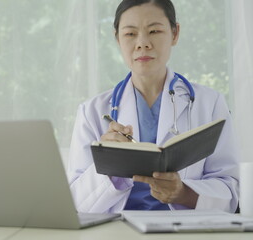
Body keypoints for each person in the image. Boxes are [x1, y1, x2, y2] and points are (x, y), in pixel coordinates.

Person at [68, 0, 239, 213]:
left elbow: (230, 195)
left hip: (184, 232)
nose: (143, 43)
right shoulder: (92, 112)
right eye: (130, 34)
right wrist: (110, 166)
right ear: (117, 39)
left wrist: (183, 193)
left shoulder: (210, 103)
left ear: (175, 33)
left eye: (155, 31)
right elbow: (76, 204)